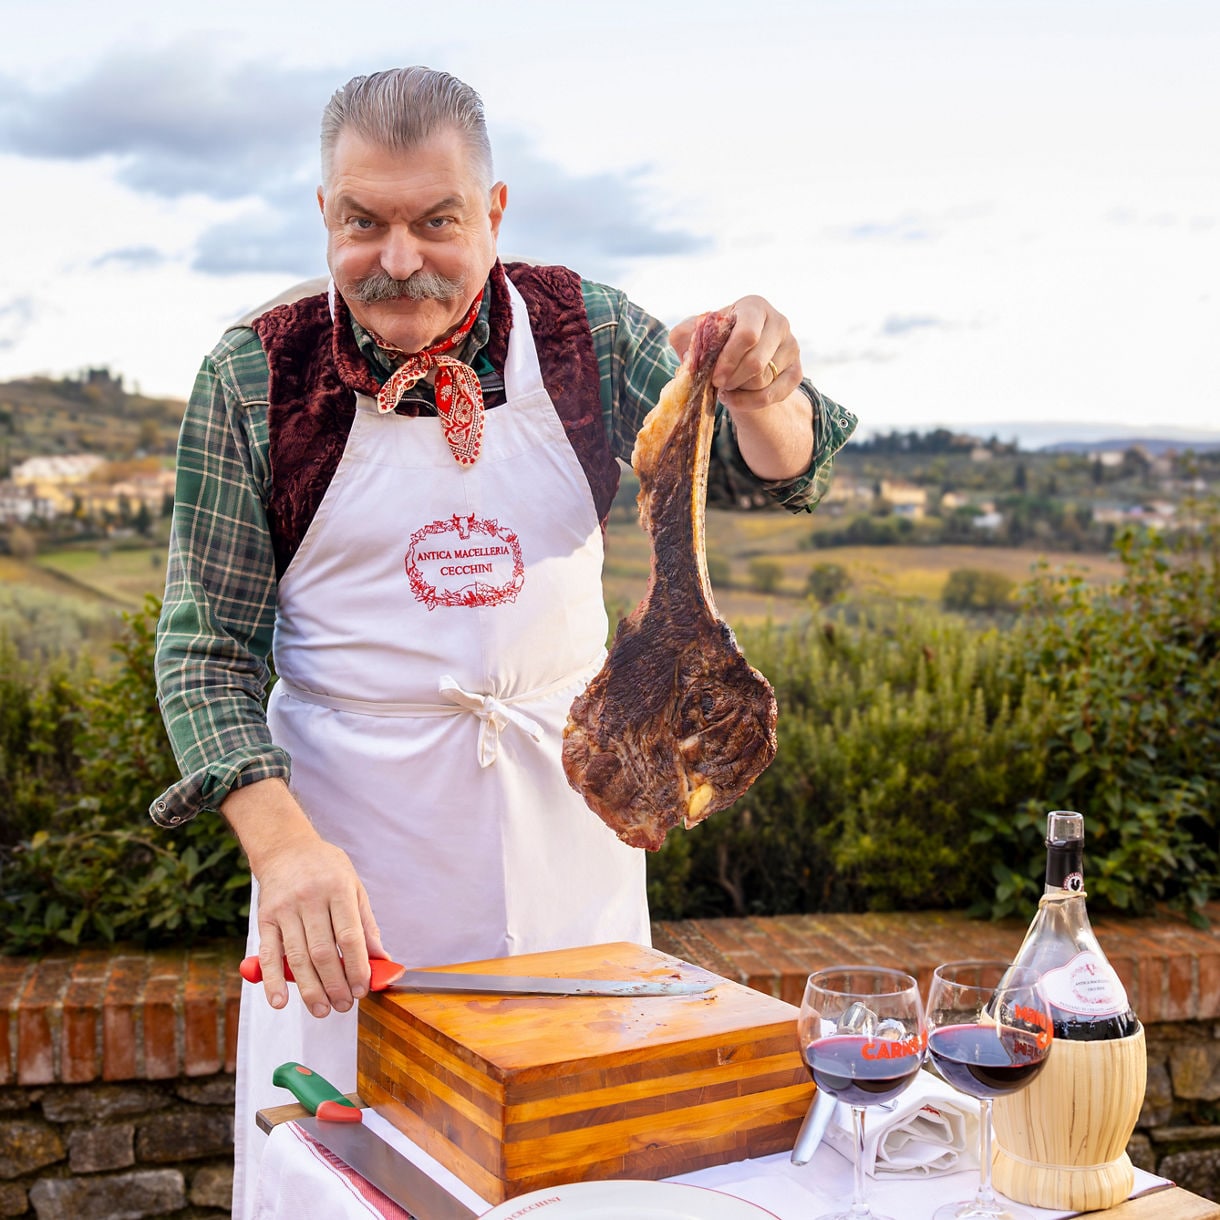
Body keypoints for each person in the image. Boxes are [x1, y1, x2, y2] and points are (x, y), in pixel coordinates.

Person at [152, 66, 856, 1218]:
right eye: (361, 221)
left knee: (587, 1176)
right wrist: (283, 850)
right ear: (321, 213)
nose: (397, 258)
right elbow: (204, 650)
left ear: (493, 211)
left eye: (435, 220)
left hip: (566, 840)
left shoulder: (586, 334)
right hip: (350, 874)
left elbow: (771, 475)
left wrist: (763, 382)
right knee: (356, 1180)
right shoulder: (258, 374)